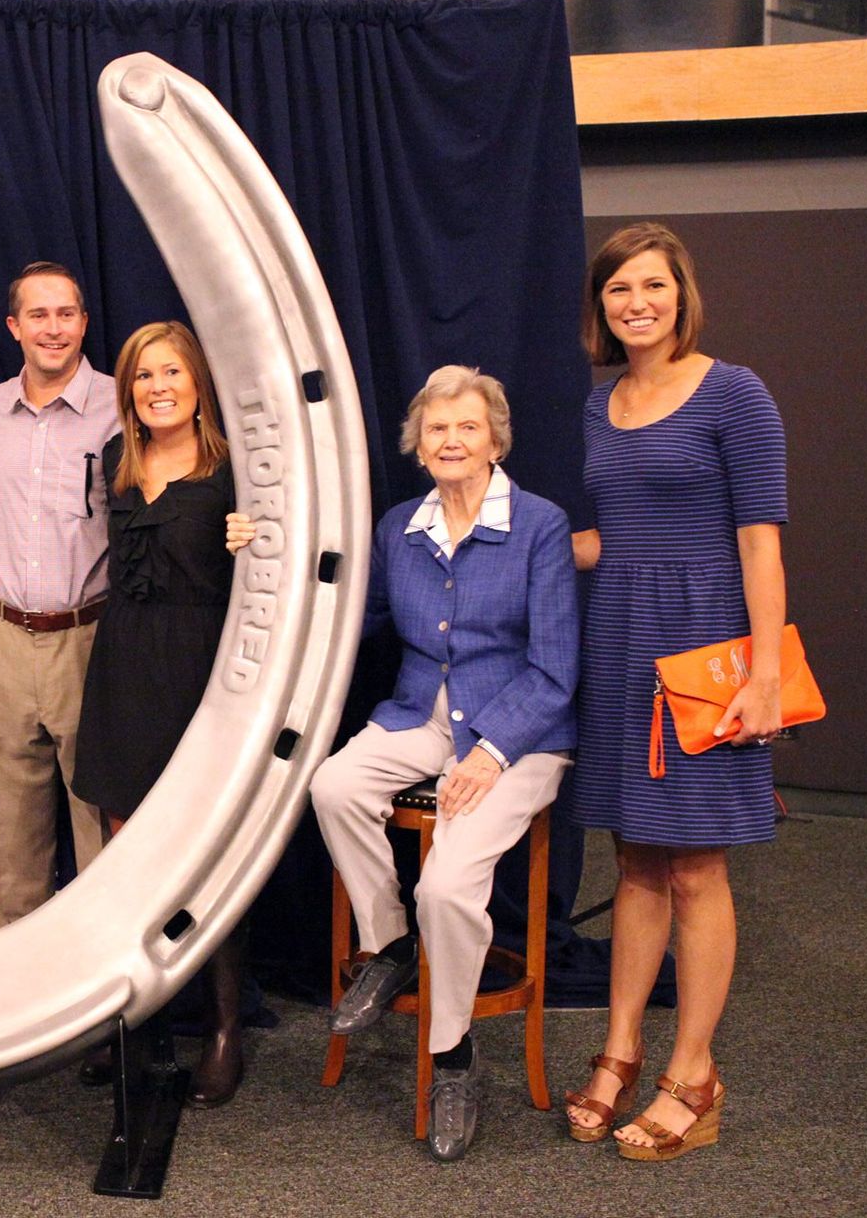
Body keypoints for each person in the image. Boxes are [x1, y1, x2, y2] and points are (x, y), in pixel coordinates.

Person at [309, 365, 578, 1161]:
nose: (452, 440)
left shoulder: (540, 525)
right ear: (418, 446)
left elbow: (558, 669)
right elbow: (360, 619)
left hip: (521, 733)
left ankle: (452, 1053)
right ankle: (391, 947)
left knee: (449, 885)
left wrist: (493, 753)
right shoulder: (402, 527)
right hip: (421, 714)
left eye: (467, 427)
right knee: (333, 785)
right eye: (437, 429)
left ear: (494, 438)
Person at [563, 223, 787, 1161]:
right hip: (618, 638)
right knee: (636, 861)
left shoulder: (736, 394)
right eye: (619, 290)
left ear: (679, 293)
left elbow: (760, 540)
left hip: (704, 644)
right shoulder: (598, 402)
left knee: (697, 866)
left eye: (651, 286)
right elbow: (608, 536)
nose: (636, 303)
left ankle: (694, 1073)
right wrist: (497, 536)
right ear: (603, 308)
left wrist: (766, 673)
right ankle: (620, 1047)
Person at [73, 321, 257, 1106]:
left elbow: (266, 575)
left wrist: (256, 543)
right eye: (143, 375)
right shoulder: (119, 460)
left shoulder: (233, 469)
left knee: (208, 854)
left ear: (197, 382)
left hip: (199, 668)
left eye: (170, 372)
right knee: (127, 848)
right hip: (125, 661)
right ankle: (140, 1018)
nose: (157, 386)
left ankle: (222, 1028)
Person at [0, 261, 118, 931]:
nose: (52, 328)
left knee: (100, 828)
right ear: (13, 326)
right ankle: (11, 995)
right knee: (13, 831)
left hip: (91, 638)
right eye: (38, 315)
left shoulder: (124, 406)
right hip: (1, 639)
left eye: (65, 314)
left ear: (83, 322)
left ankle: (100, 995)